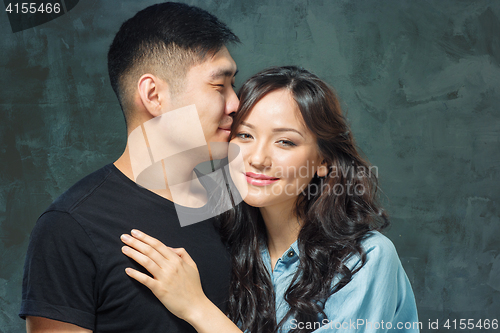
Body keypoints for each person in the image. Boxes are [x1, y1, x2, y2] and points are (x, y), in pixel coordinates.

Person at [120, 66, 420, 333]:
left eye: (285, 142)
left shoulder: (365, 259)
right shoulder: (221, 236)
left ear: (323, 161)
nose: (258, 159)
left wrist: (197, 308)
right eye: (245, 136)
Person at [19, 2, 239, 332]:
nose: (236, 103)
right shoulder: (70, 228)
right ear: (153, 95)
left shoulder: (233, 205)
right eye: (220, 86)